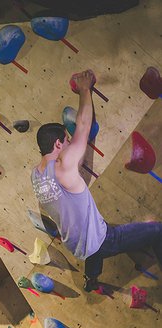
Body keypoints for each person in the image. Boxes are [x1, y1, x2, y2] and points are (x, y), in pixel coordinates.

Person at [31, 69, 161, 291]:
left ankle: (91, 280)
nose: (71, 141)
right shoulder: (65, 167)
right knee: (157, 231)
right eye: (67, 139)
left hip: (75, 243)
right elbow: (83, 126)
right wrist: (84, 89)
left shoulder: (36, 174)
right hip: (102, 240)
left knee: (92, 252)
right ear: (57, 145)